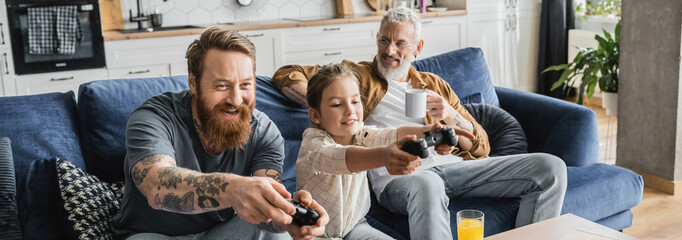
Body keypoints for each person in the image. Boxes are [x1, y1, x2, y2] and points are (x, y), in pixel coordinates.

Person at [272, 7, 567, 240]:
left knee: (550, 168)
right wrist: (327, 107)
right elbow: (288, 73)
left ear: (418, 47)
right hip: (402, 179)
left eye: (400, 43)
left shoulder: (434, 84)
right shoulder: (358, 77)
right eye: (384, 40)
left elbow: (479, 147)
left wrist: (450, 117)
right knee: (428, 181)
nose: (389, 50)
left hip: (455, 169)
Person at [111, 28, 329, 240]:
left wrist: (288, 218)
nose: (235, 99)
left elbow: (267, 211)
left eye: (245, 85)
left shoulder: (263, 131)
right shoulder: (153, 116)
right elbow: (155, 185)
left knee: (277, 235)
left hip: (224, 232)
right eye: (222, 86)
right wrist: (234, 189)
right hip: (154, 234)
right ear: (193, 84)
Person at [296, 63, 476, 239]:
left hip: (356, 225)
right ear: (315, 115)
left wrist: (431, 130)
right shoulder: (313, 145)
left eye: (355, 101)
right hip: (316, 233)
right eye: (337, 104)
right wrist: (384, 156)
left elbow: (391, 134)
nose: (350, 110)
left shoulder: (360, 134)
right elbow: (340, 157)